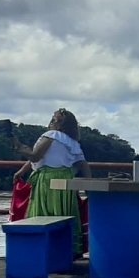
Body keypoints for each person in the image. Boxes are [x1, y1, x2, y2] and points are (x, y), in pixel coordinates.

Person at [11, 108, 92, 256]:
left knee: (44, 214)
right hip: (66, 179)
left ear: (60, 124)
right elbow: (83, 164)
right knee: (64, 213)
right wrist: (89, 187)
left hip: (47, 179)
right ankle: (66, 250)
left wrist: (20, 148)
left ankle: (43, 250)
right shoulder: (73, 142)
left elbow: (35, 157)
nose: (50, 122)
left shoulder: (51, 135)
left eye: (54, 119)